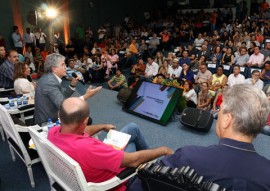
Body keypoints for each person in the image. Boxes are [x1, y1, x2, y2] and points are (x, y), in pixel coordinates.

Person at [48, 97, 173, 191]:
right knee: (138, 148)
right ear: (85, 121)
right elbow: (134, 161)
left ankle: (151, 163)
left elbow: (81, 129)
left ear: (60, 115)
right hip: (116, 180)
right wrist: (163, 150)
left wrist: (102, 126)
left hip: (97, 160)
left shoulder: (53, 132)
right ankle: (154, 167)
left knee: (132, 128)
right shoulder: (89, 149)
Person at [161, 84, 270, 190]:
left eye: (220, 110)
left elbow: (148, 181)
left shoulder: (187, 156)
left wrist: (160, 151)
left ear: (227, 119)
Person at [34, 53, 102, 125]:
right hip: (48, 123)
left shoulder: (49, 78)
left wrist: (72, 85)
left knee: (86, 118)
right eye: (62, 65)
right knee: (86, 120)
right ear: (54, 69)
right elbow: (64, 105)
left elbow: (62, 96)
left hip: (51, 116)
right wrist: (86, 96)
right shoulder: (49, 82)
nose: (65, 67)